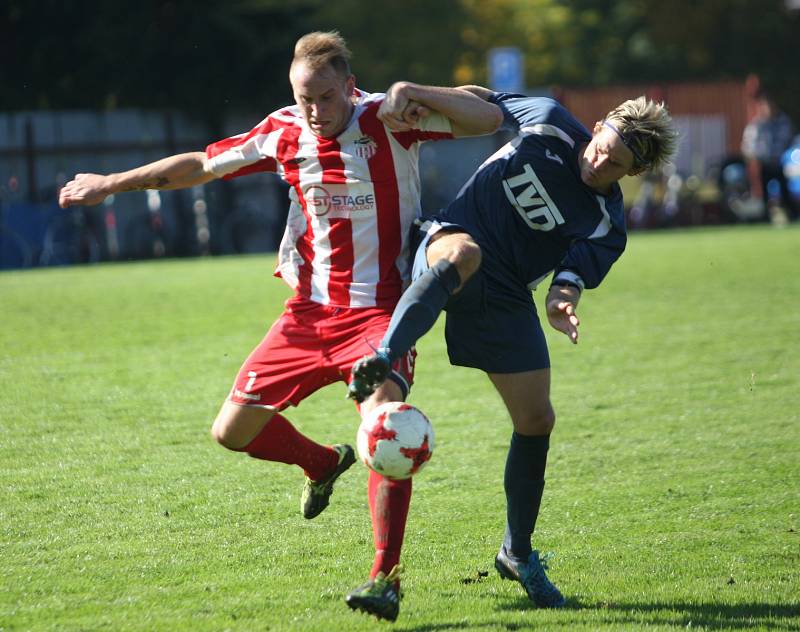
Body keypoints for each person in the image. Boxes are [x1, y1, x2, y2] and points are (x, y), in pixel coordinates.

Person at [58, 32, 502, 622]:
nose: (312, 111)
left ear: (349, 86)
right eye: (301, 98)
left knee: (387, 427)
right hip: (308, 315)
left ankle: (385, 578)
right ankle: (320, 462)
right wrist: (111, 184)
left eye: (322, 96)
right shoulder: (283, 129)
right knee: (231, 431)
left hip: (381, 315)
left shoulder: (391, 119)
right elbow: (201, 164)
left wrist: (415, 89)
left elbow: (486, 120)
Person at [348, 87, 678, 608]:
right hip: (449, 240)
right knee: (465, 252)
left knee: (536, 419)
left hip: (504, 294)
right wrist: (419, 96)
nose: (598, 161)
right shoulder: (548, 120)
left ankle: (517, 552)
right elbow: (484, 100)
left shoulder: (605, 225)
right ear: (597, 128)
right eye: (601, 146)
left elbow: (570, 279)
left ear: (632, 173)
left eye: (614, 163)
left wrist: (561, 303)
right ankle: (383, 356)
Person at [741, 93, 796, 221]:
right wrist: (753, 156)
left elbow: (790, 140)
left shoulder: (783, 122)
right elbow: (748, 144)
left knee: (784, 190)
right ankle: (766, 216)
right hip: (764, 163)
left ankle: (791, 214)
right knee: (763, 192)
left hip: (779, 162)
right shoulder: (757, 125)